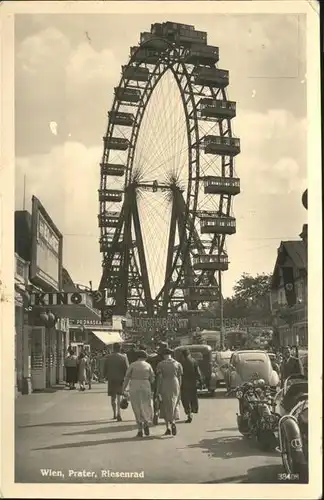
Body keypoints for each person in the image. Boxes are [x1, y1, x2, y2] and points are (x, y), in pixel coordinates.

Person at [122, 350, 155, 438]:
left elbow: (127, 377)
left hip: (134, 386)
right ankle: (146, 421)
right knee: (146, 405)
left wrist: (123, 388)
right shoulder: (148, 365)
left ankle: (140, 429)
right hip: (145, 385)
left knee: (136, 407)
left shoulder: (132, 365)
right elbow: (152, 378)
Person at [156, 348, 183, 436]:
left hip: (165, 383)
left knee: (165, 404)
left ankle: (168, 427)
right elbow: (180, 377)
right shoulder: (177, 364)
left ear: (164, 355)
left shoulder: (160, 364)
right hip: (175, 383)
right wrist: (179, 387)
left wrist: (158, 389)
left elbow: (159, 378)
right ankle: (173, 421)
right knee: (174, 403)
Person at [104, 343, 129, 421]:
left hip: (111, 379)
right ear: (120, 348)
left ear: (113, 348)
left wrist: (105, 376)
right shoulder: (123, 357)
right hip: (120, 379)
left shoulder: (108, 357)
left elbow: (105, 369)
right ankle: (119, 413)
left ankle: (114, 414)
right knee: (119, 396)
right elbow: (127, 369)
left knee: (113, 398)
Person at [179, 348, 202, 423]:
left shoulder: (181, 363)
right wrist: (200, 381)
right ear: (189, 354)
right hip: (193, 384)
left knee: (185, 400)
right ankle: (192, 411)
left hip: (184, 384)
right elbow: (198, 373)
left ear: (183, 355)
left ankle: (189, 413)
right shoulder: (194, 361)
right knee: (193, 398)